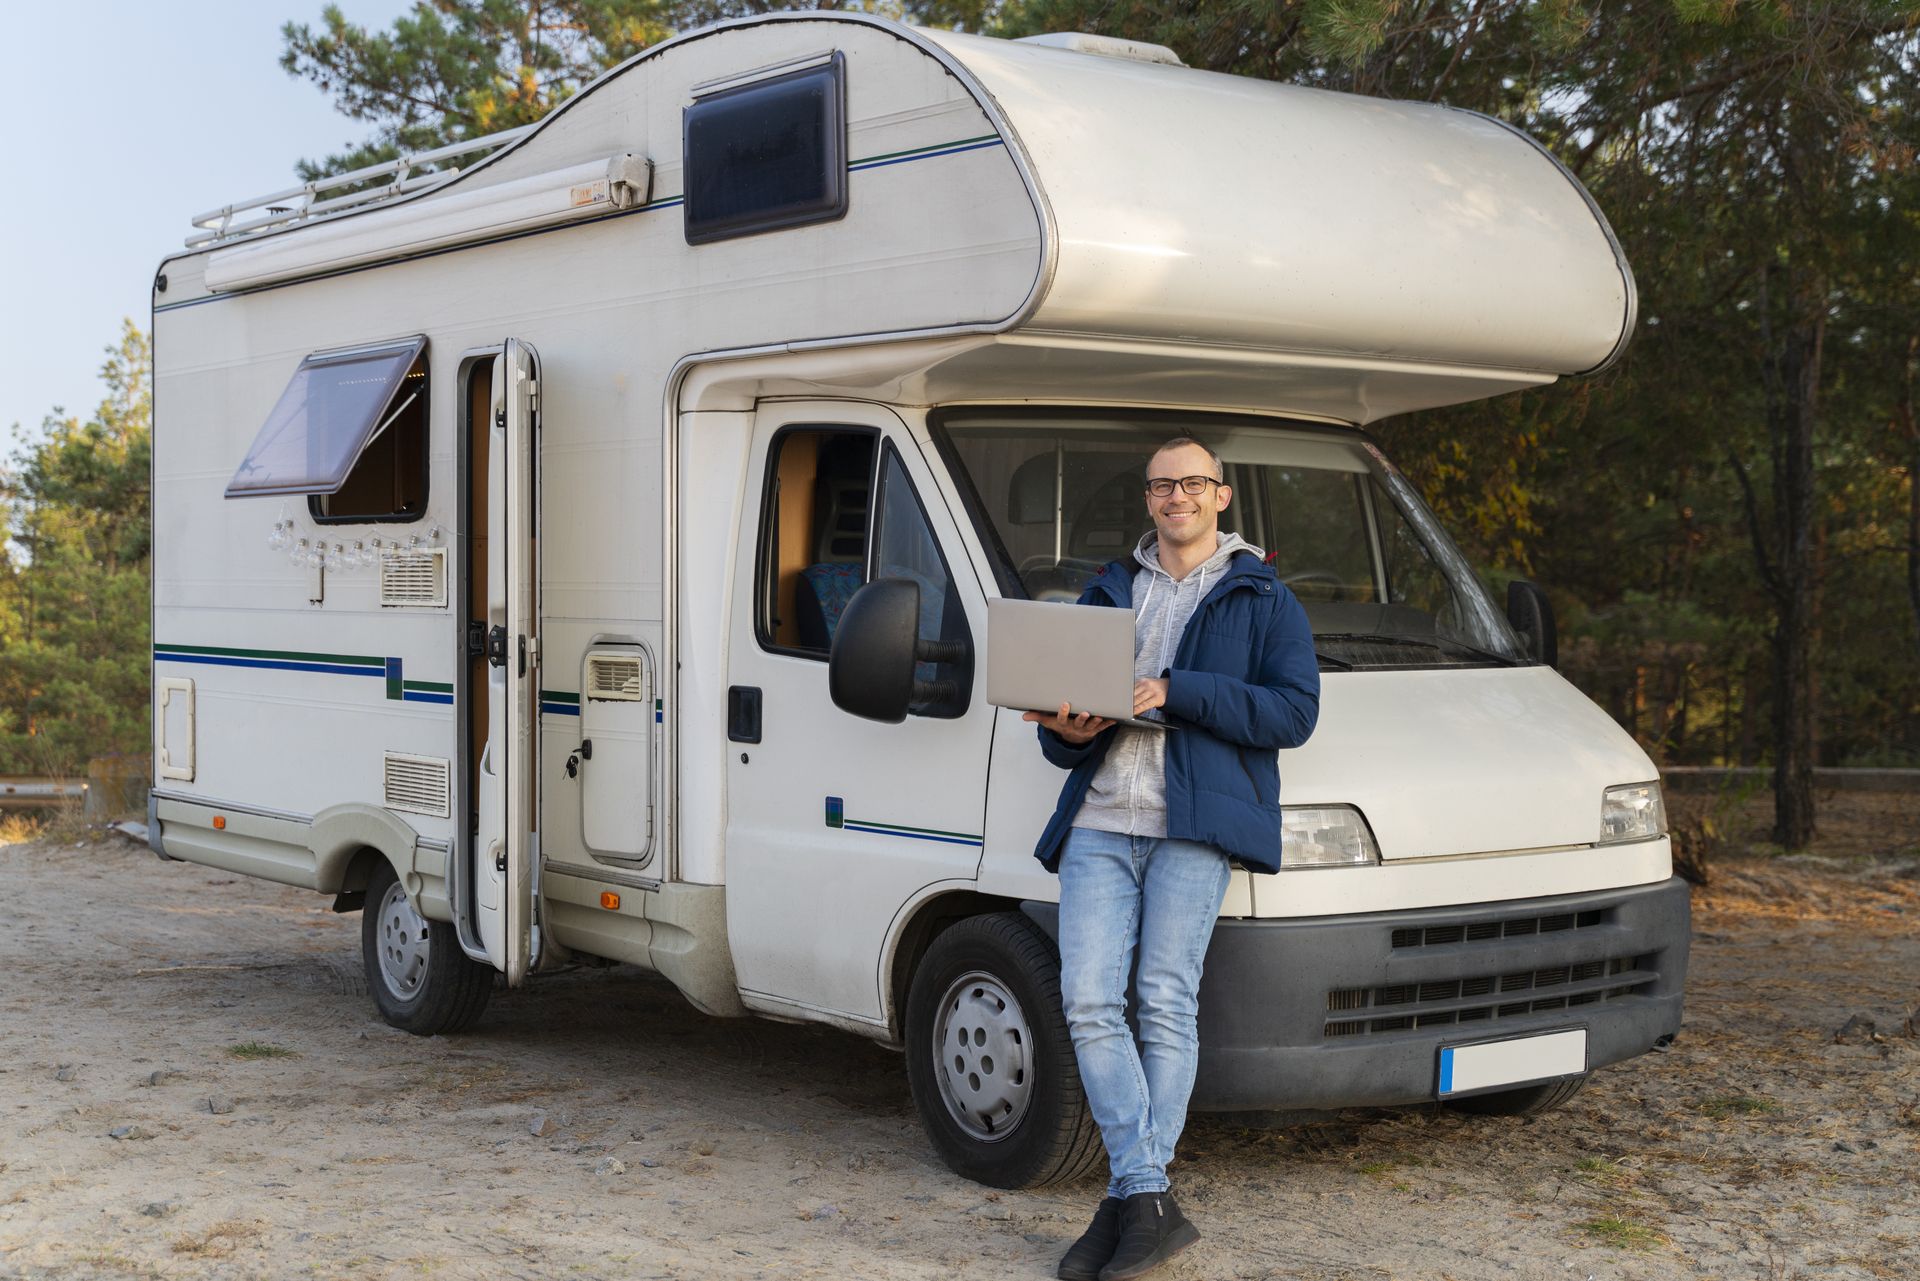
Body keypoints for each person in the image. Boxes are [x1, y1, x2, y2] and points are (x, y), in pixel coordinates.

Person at [1022, 437, 1320, 1281]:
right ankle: (1145, 1195)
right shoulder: (1109, 587)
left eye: (1191, 482)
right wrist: (1067, 729)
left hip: (1194, 826)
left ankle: (1130, 1203)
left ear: (1220, 497)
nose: (1175, 496)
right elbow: (1066, 730)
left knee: (1161, 999)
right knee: (1085, 1001)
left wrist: (1174, 691)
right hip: (1102, 823)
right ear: (1148, 499)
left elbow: (1294, 712)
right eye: (1161, 485)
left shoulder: (1262, 594)